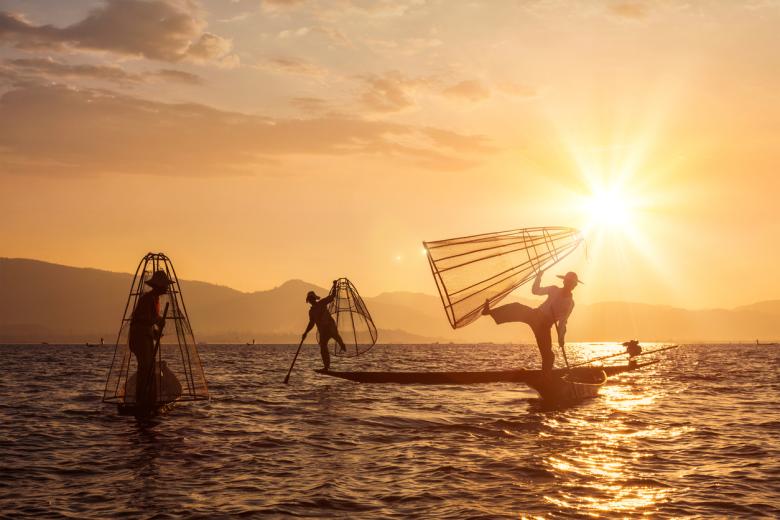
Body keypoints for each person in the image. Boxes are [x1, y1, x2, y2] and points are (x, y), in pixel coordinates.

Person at [482, 270, 581, 374]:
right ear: (564, 282)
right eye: (567, 281)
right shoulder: (553, 289)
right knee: (516, 307)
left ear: (574, 285)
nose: (568, 284)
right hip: (535, 315)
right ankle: (489, 312)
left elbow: (563, 322)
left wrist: (561, 338)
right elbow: (536, 291)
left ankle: (545, 376)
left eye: (571, 283)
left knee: (548, 355)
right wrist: (538, 277)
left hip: (544, 326)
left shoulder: (570, 303)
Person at [128, 270, 173, 409]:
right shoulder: (147, 299)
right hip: (139, 338)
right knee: (145, 368)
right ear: (158, 286)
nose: (167, 288)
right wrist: (158, 320)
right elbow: (142, 320)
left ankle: (146, 398)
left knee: (148, 367)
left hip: (145, 337)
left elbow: (148, 323)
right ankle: (142, 399)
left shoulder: (155, 299)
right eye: (165, 285)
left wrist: (155, 333)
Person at [302, 281, 347, 371]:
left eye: (312, 298)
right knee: (323, 348)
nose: (311, 300)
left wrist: (334, 286)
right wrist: (305, 333)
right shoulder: (311, 312)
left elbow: (332, 296)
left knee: (336, 336)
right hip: (323, 331)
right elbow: (311, 323)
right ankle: (326, 366)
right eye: (310, 299)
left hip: (330, 327)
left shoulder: (322, 303)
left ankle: (342, 344)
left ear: (314, 299)